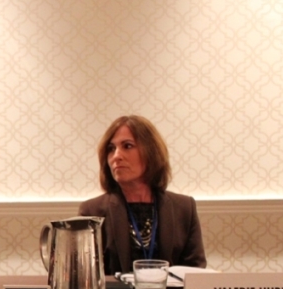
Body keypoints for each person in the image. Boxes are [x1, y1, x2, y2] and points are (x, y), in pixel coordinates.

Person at [79, 115, 206, 275]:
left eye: (127, 146)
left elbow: (196, 275)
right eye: (111, 149)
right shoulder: (92, 212)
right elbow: (85, 279)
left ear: (151, 152)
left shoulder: (184, 208)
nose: (116, 156)